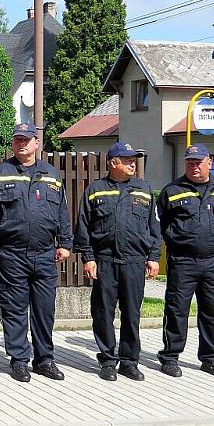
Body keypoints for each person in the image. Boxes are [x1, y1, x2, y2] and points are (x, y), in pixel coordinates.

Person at [0, 123, 72, 383]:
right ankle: (19, 360)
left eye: (26, 139)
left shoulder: (51, 174)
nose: (22, 144)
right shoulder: (0, 172)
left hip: (44, 255)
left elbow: (62, 211)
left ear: (36, 143)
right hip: (11, 254)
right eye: (17, 139)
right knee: (14, 310)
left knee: (44, 311)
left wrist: (65, 242)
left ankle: (45, 360)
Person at [74, 142, 160, 382]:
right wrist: (88, 258)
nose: (133, 163)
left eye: (135, 159)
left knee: (132, 314)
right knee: (103, 313)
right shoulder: (96, 190)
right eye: (127, 159)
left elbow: (154, 228)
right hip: (105, 261)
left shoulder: (144, 190)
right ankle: (108, 360)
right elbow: (84, 228)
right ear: (113, 163)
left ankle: (130, 362)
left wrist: (154, 257)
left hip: (134, 260)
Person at [157, 144, 214, 378]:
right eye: (190, 163)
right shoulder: (172, 190)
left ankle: (209, 358)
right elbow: (162, 223)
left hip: (212, 262)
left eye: (198, 162)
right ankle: (170, 357)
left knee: (211, 312)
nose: (194, 167)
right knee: (177, 310)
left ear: (210, 162)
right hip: (183, 261)